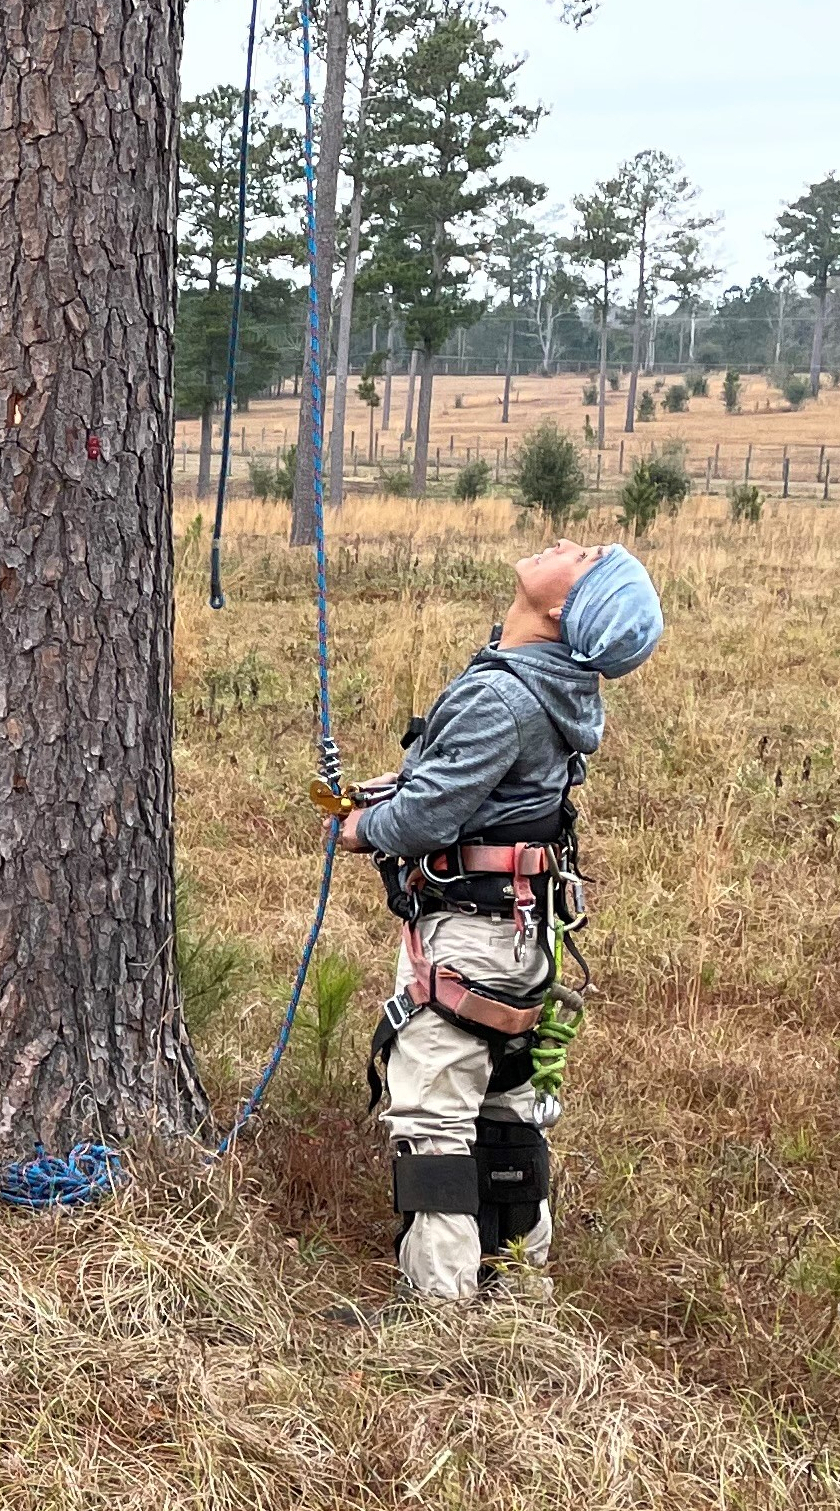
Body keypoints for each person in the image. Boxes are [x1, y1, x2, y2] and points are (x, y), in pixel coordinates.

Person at [334, 538, 664, 1302]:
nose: (571, 544)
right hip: (521, 931)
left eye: (585, 560)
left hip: (472, 934)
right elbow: (468, 790)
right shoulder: (543, 687)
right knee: (507, 1103)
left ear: (561, 610)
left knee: (435, 1121)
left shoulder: (503, 698)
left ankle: (441, 1312)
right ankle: (518, 1289)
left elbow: (431, 816)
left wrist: (362, 828)